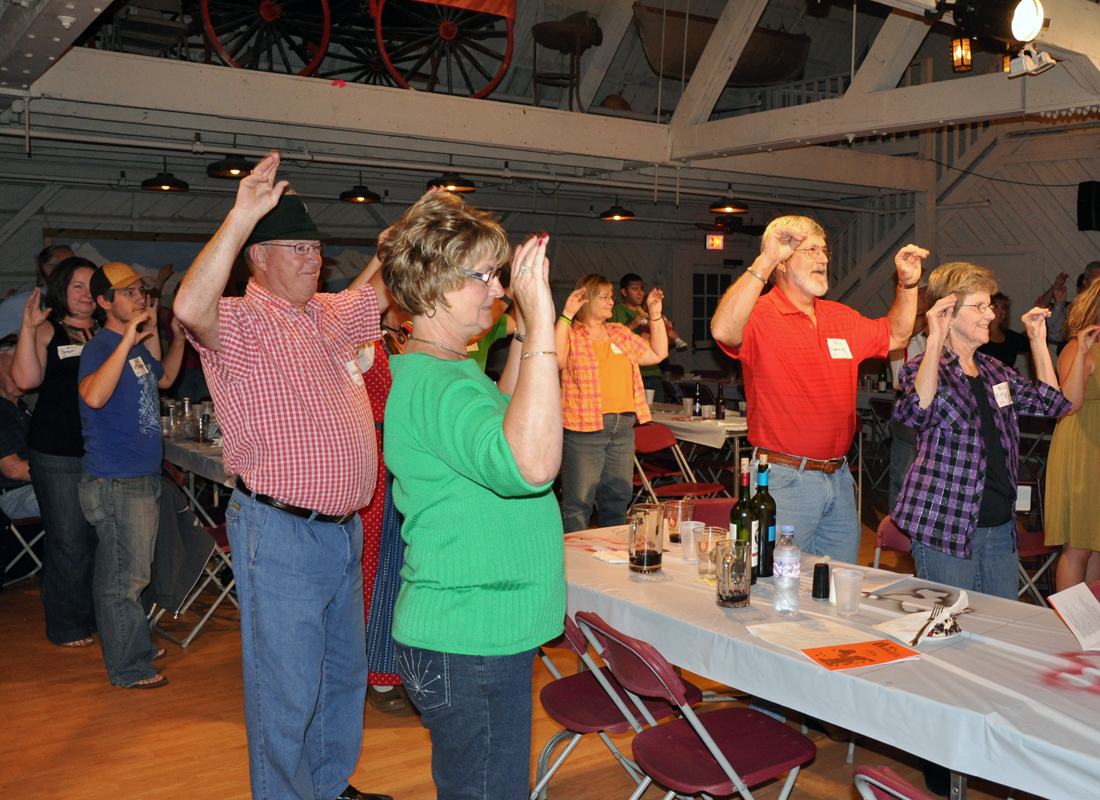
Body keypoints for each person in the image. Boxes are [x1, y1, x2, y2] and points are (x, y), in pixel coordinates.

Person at [173, 151, 394, 800]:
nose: (312, 256)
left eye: (317, 246)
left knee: (341, 675)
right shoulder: (238, 323)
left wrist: (392, 245)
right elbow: (189, 305)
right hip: (282, 533)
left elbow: (378, 291)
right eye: (295, 246)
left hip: (344, 531)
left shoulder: (325, 312)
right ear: (257, 258)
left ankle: (329, 787)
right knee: (287, 688)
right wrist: (242, 213)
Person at [380, 192, 564, 799]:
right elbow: (531, 462)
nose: (498, 289)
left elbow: (507, 416)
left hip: (468, 635)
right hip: (469, 639)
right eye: (481, 275)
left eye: (498, 274)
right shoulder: (438, 385)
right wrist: (540, 332)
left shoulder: (447, 367)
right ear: (431, 281)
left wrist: (527, 338)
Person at [710, 215, 926, 563]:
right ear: (781, 261)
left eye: (824, 251)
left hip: (838, 479)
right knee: (777, 588)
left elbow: (897, 335)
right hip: (783, 482)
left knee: (837, 593)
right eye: (810, 250)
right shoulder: (760, 314)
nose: (823, 259)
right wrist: (764, 260)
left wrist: (908, 285)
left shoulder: (840, 317)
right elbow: (722, 330)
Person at [892, 262, 1074, 599]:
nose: (990, 315)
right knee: (949, 629)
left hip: (1001, 527)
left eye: (989, 305)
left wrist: (1038, 341)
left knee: (998, 627)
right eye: (979, 306)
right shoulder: (924, 368)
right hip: (946, 523)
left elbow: (1052, 405)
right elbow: (918, 412)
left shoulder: (994, 371)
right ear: (949, 310)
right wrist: (936, 337)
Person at [78, 261, 185, 688]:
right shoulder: (100, 347)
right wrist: (127, 340)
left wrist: (174, 337)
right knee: (123, 580)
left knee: (132, 574)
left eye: (139, 290)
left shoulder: (135, 347)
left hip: (137, 475)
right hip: (116, 480)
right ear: (104, 302)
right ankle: (128, 667)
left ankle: (134, 645)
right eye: (127, 293)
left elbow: (166, 379)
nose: (138, 296)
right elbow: (95, 397)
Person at [12, 257, 100, 648]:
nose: (84, 294)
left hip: (103, 452)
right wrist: (27, 331)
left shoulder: (108, 332)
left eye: (91, 286)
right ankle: (67, 625)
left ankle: (101, 618)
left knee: (101, 539)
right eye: (76, 285)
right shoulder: (49, 329)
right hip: (58, 453)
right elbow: (25, 381)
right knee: (68, 541)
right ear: (61, 290)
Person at [558, 273, 667, 533]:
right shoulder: (571, 334)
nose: (610, 302)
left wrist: (655, 315)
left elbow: (658, 353)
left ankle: (612, 554)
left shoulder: (618, 331)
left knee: (618, 500)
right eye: (604, 297)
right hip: (584, 428)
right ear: (585, 300)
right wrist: (565, 315)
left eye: (611, 297)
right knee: (578, 502)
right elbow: (556, 360)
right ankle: (574, 565)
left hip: (622, 426)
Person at [1044, 279, 1100, 591]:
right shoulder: (1074, 349)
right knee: (1078, 546)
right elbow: (1069, 405)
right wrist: (1082, 351)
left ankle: (1091, 629)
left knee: (1097, 545)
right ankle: (1068, 626)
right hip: (1081, 451)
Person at [610, 273, 686, 402]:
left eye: (642, 289)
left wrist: (664, 329)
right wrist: (631, 325)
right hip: (631, 373)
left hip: (654, 372)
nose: (640, 293)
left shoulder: (646, 311)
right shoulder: (615, 311)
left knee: (657, 412)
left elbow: (666, 343)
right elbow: (610, 341)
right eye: (635, 289)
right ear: (624, 292)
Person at [887, 285, 929, 509]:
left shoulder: (927, 334)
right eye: (921, 292)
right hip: (906, 404)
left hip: (930, 405)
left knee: (926, 476)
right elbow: (907, 331)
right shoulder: (900, 332)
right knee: (903, 475)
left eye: (927, 293)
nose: (925, 297)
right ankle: (895, 530)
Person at [0, 341, 39, 520]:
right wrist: (60, 474)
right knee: (84, 497)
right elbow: (13, 470)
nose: (18, 376)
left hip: (38, 485)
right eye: (12, 370)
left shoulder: (24, 409)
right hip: (15, 493)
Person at [0, 245, 75, 338]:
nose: (75, 271)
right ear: (48, 269)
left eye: (77, 266)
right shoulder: (21, 303)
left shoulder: (86, 300)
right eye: (68, 266)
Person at [977, 292, 1029, 369]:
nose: (1000, 310)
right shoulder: (977, 334)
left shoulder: (1011, 337)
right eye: (995, 306)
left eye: (1003, 307)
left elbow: (1032, 344)